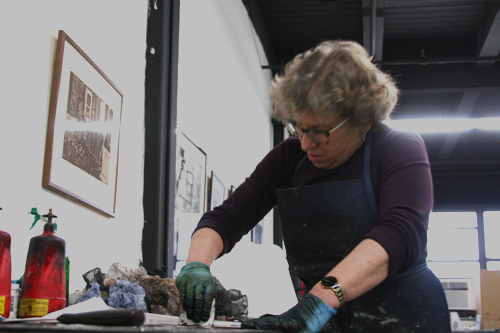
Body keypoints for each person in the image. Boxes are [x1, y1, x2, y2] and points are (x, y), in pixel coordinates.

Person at [175, 40, 451, 332]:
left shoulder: (398, 147)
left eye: (320, 132)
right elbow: (226, 218)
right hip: (324, 317)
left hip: (404, 316)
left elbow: (400, 233)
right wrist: (196, 264)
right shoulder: (288, 157)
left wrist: (319, 300)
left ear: (364, 121)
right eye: (299, 128)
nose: (306, 144)